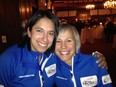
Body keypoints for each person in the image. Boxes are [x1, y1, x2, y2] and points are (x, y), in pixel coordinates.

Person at [0, 10, 107, 87]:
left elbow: (70, 57)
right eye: (39, 31)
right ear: (29, 31)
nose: (45, 39)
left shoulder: (54, 57)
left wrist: (96, 57)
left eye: (50, 33)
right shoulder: (9, 59)